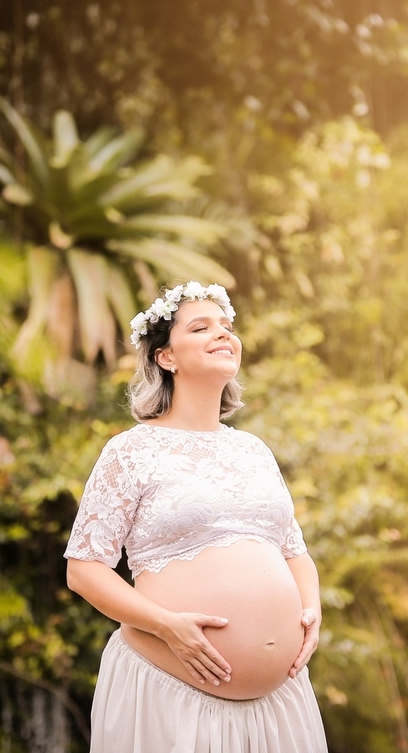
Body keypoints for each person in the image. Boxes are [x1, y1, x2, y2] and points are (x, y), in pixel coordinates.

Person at [64, 281, 328, 752]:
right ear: (166, 357)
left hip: (281, 702)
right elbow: (84, 569)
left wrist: (311, 612)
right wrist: (168, 627)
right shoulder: (131, 450)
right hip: (171, 696)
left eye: (227, 327)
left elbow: (294, 551)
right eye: (201, 327)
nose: (223, 334)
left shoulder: (253, 451)